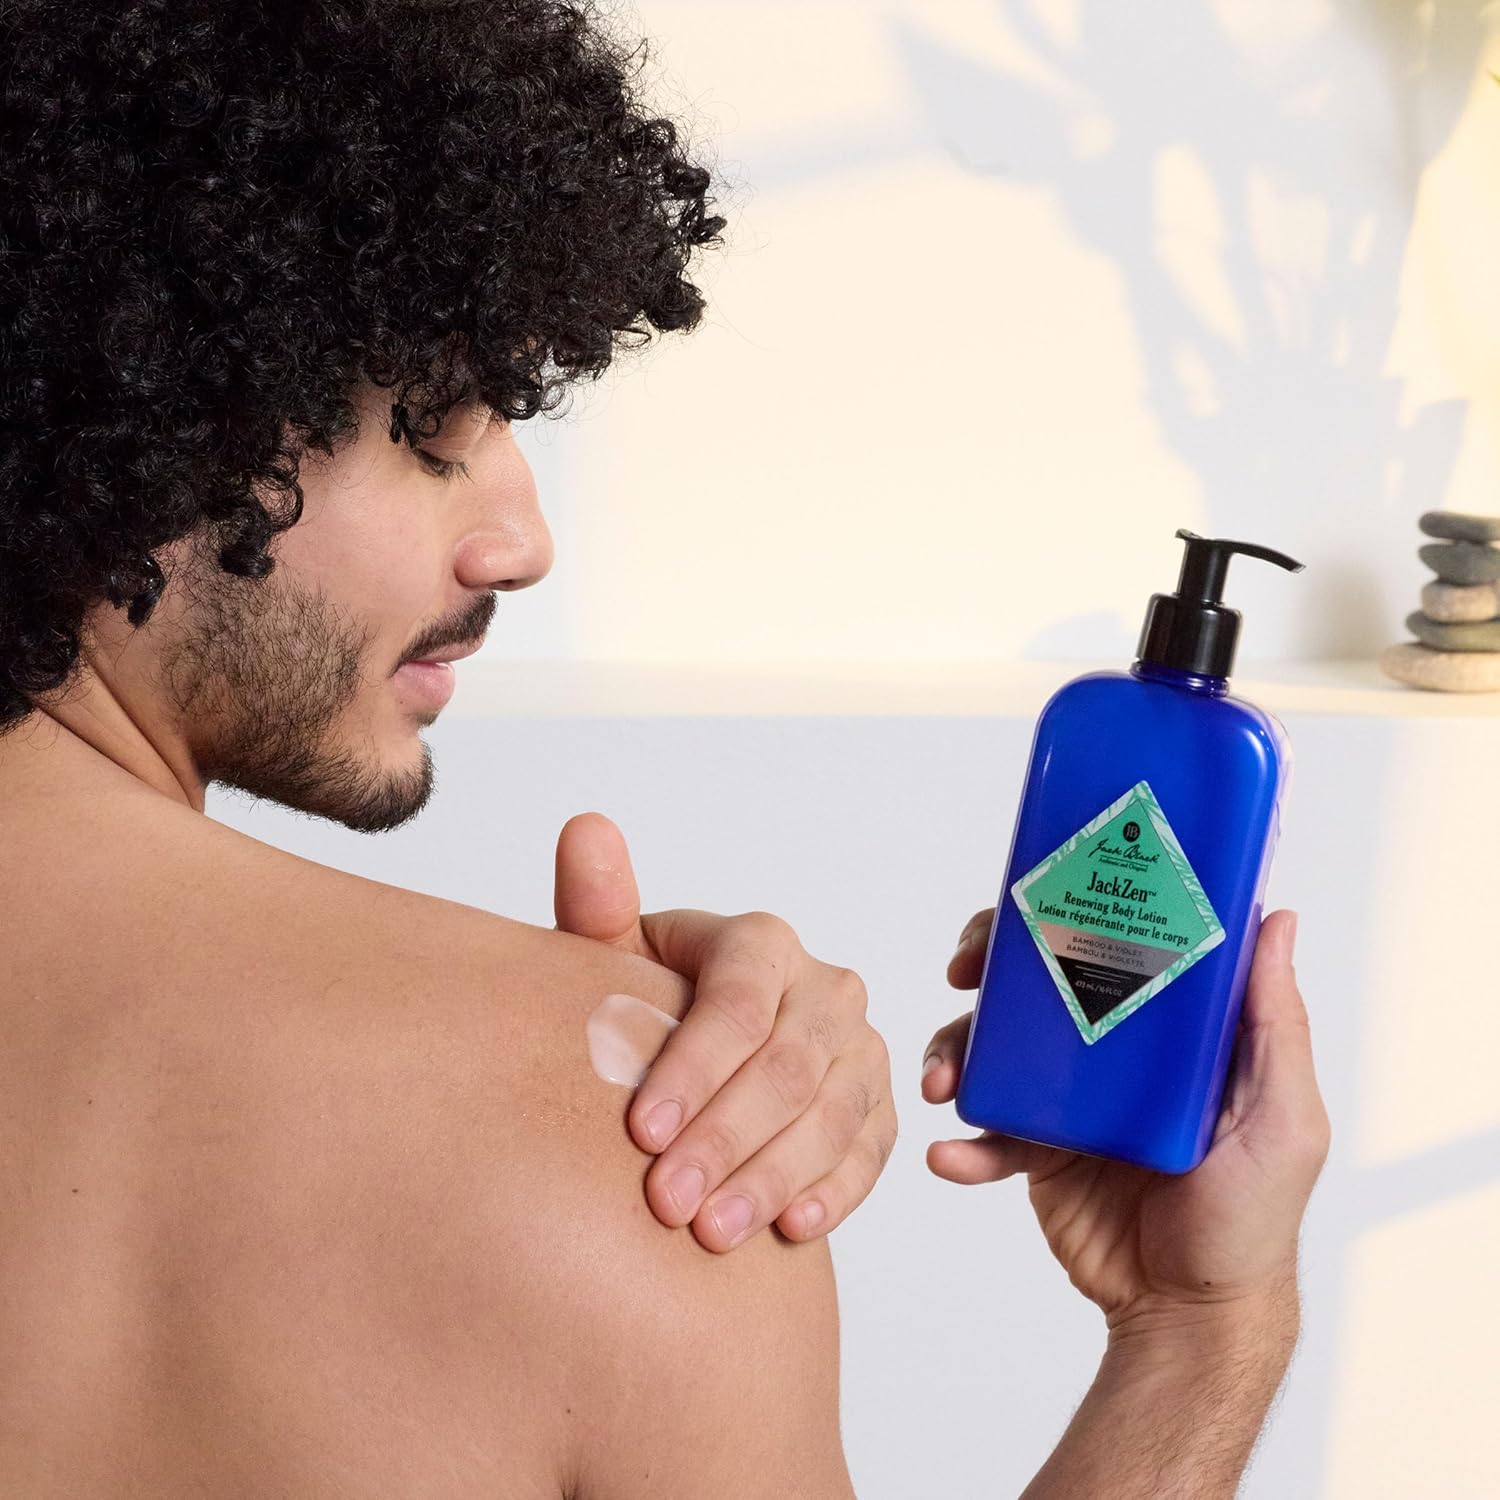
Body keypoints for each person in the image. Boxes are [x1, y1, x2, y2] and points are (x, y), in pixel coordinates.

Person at [0, 2, 1329, 1495]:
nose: (522, 542)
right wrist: (1203, 1331)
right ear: (135, 399)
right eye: (435, 427)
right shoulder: (654, 1154)